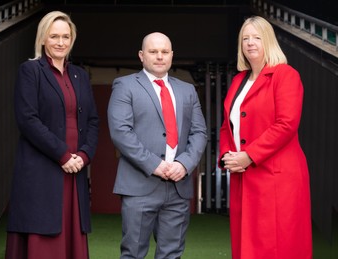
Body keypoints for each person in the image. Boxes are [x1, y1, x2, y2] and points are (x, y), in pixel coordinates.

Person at [5, 11, 99, 259]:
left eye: (66, 36)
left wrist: (83, 155)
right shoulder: (30, 70)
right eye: (54, 36)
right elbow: (27, 120)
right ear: (43, 39)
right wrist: (63, 155)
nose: (60, 42)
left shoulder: (80, 75)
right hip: (42, 169)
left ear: (72, 39)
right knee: (42, 234)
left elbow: (92, 121)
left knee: (72, 235)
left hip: (75, 170)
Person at [219, 16, 312, 259]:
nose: (250, 43)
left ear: (268, 41)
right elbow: (227, 125)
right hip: (243, 175)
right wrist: (227, 156)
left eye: (257, 37)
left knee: (277, 247)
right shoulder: (239, 80)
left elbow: (286, 124)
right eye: (245, 38)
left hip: (276, 177)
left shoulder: (286, 75)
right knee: (246, 246)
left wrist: (249, 156)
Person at [107, 32, 207, 259]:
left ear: (172, 55)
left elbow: (199, 132)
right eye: (153, 52)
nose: (159, 56)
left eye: (164, 52)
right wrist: (155, 164)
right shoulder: (125, 85)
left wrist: (184, 164)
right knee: (133, 253)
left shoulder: (187, 90)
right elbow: (121, 132)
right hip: (139, 185)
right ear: (142, 56)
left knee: (172, 254)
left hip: (177, 187)